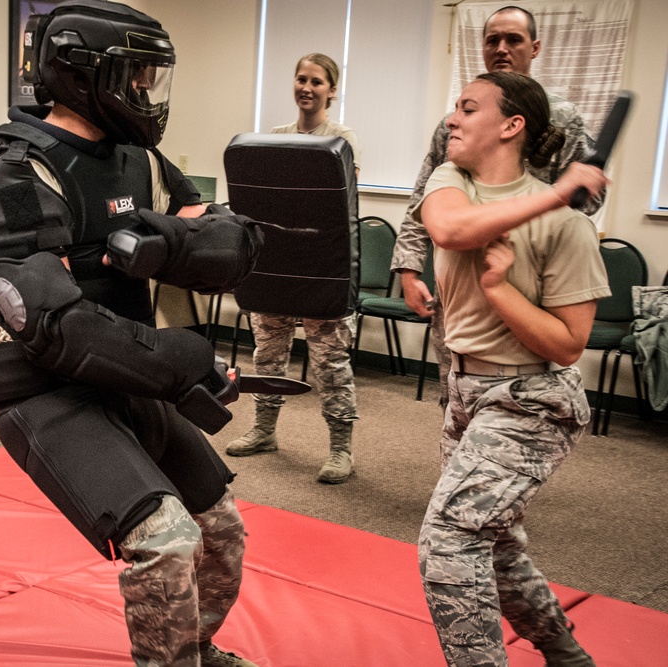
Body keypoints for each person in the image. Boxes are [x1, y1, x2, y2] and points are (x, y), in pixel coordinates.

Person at [0, 2, 262, 665]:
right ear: (83, 75)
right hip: (41, 385)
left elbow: (235, 236)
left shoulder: (139, 159)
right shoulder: (19, 166)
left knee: (221, 530)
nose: (145, 94)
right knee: (165, 538)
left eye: (151, 78)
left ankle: (192, 645)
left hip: (123, 370)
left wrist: (168, 241)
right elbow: (46, 320)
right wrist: (178, 361)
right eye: (135, 76)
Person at [414, 71, 609, 667]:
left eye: (467, 108)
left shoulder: (567, 227)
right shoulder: (452, 181)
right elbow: (447, 229)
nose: (452, 118)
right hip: (463, 389)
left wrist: (502, 293)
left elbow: (570, 344)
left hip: (532, 397)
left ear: (511, 125)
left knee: (451, 539)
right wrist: (558, 190)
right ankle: (564, 651)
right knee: (494, 546)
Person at [391, 5, 601, 408]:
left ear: (535, 47)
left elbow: (582, 200)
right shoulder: (455, 126)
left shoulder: (564, 119)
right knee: (458, 388)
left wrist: (530, 213)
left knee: (520, 393)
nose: (501, 48)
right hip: (462, 272)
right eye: (492, 40)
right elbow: (424, 196)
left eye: (514, 39)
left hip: (526, 275)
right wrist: (408, 269)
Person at [225, 53, 360, 485]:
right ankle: (265, 430)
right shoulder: (274, 138)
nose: (307, 87)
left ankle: (341, 449)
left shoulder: (341, 138)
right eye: (300, 78)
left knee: (330, 365)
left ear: (331, 90)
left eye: (316, 81)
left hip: (321, 267)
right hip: (276, 263)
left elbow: (335, 206)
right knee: (267, 357)